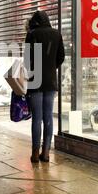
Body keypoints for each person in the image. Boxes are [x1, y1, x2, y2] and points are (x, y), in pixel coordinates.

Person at [25, 10, 65, 163]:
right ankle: (46, 152)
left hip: (35, 81)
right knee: (48, 117)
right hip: (50, 81)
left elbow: (27, 60)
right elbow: (61, 57)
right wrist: (50, 67)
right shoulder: (56, 34)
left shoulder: (32, 34)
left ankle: (35, 153)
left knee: (37, 118)